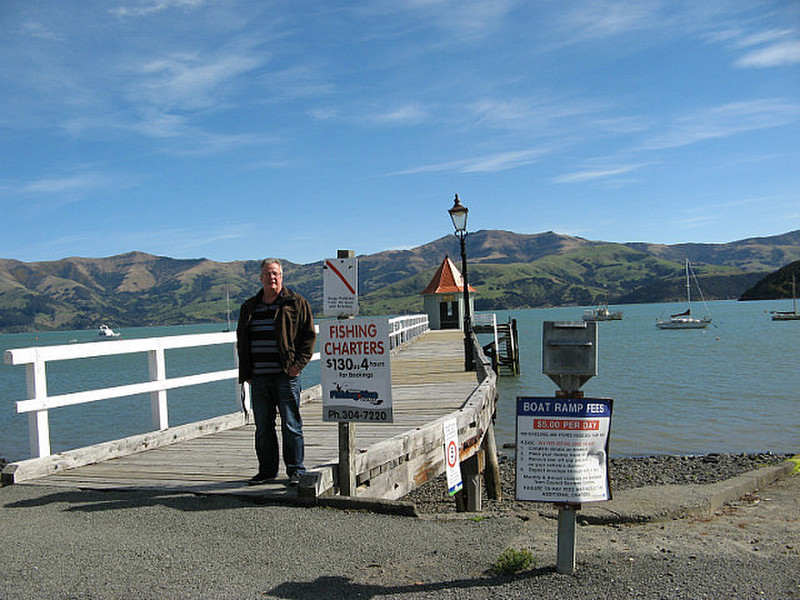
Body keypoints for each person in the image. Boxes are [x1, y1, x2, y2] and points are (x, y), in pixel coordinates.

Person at [236, 258, 316, 485]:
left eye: (276, 274)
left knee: (291, 425)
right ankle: (267, 471)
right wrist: (247, 372)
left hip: (285, 376)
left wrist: (297, 366)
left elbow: (309, 337)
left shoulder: (296, 303)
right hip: (259, 378)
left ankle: (296, 471)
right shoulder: (249, 307)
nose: (272, 278)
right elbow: (241, 340)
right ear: (260, 278)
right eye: (268, 274)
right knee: (263, 427)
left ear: (282, 277)